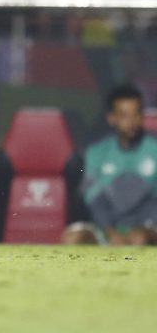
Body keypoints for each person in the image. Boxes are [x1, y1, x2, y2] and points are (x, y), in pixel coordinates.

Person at [63, 85, 157, 245]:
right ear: (112, 118)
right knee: (73, 238)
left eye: (136, 114)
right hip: (107, 228)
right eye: (124, 116)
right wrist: (110, 232)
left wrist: (144, 227)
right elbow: (93, 198)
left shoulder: (154, 149)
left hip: (146, 227)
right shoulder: (97, 153)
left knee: (141, 239)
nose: (132, 122)